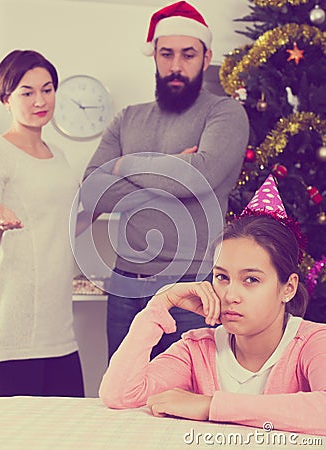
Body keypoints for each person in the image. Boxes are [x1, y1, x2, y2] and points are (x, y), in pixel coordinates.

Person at [80, 1, 249, 360]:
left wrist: (124, 165)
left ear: (206, 58)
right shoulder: (128, 118)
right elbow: (93, 194)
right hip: (125, 287)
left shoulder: (225, 112)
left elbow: (197, 176)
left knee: (188, 402)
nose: (176, 66)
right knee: (123, 398)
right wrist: (174, 171)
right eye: (166, 54)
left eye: (188, 55)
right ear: (154, 56)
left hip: (194, 291)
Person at [99, 175, 326, 436]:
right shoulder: (198, 349)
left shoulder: (313, 343)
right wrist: (160, 303)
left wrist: (210, 406)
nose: (230, 295)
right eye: (222, 277)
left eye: (251, 279)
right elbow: (119, 395)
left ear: (288, 287)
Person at [0, 50, 84, 397]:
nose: (40, 100)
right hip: (14, 324)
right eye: (27, 92)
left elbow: (64, 225)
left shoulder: (58, 155)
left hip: (59, 324)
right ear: (6, 99)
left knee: (67, 433)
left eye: (47, 90)